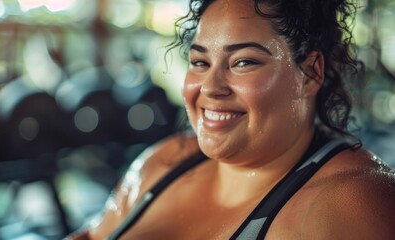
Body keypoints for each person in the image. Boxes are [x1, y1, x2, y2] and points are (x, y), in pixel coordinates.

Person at [66, 0, 395, 239]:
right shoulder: (161, 164)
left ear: (309, 73)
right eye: (199, 61)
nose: (210, 87)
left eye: (243, 62)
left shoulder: (354, 205)